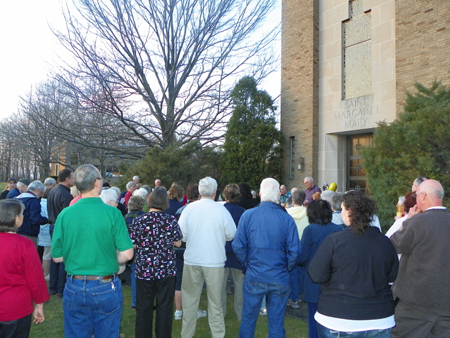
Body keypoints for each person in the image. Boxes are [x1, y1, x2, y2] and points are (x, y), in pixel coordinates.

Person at [51, 164, 134, 338]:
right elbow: (127, 254)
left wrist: (78, 255)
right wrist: (110, 256)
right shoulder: (112, 213)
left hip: (74, 285)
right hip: (105, 284)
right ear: (97, 183)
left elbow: (57, 256)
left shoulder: (65, 214)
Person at [309, 191, 398, 338]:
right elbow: (392, 275)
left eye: (342, 209)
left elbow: (317, 274)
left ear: (349, 211)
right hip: (378, 318)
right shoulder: (385, 243)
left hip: (339, 319)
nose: (341, 212)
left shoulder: (335, 241)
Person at [232, 178, 302, 338]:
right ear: (278, 195)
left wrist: (248, 264)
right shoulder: (286, 218)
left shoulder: (248, 216)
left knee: (248, 320)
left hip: (257, 275)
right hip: (277, 275)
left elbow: (238, 246)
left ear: (261, 193)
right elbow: (295, 251)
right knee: (276, 323)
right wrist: (285, 267)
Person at [390, 179, 450, 338]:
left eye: (417, 195)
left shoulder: (416, 223)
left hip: (414, 303)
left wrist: (408, 219)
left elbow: (391, 247)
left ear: (423, 196)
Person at [178, 177, 236, 338]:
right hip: (214, 262)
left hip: (193, 260)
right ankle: (217, 335)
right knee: (216, 304)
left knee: (189, 304)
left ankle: (187, 335)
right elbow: (231, 235)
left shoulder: (189, 209)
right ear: (215, 192)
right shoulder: (222, 210)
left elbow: (181, 235)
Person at [129, 187, 182, 338]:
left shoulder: (140, 220)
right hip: (165, 270)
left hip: (144, 270)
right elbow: (178, 243)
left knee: (143, 307)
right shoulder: (170, 220)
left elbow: (132, 244)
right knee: (164, 307)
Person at [0, 199, 49, 337]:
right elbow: (35, 278)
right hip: (15, 308)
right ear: (16, 219)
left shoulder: (23, 244)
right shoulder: (24, 245)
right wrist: (39, 304)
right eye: (21, 214)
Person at [299, 200, 342, 338]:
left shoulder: (310, 230)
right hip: (334, 281)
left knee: (314, 320)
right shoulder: (339, 229)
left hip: (314, 281)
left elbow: (302, 256)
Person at [173, 184, 207, 321]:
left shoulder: (180, 210)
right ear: (199, 195)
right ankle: (195, 310)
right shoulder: (200, 211)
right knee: (195, 282)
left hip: (178, 249)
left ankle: (178, 311)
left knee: (179, 282)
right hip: (192, 249)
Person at [221, 183, 246, 321]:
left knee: (220, 286)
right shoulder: (243, 212)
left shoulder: (220, 210)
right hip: (238, 253)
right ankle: (240, 314)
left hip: (223, 252)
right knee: (240, 286)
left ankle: (220, 313)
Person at [48, 169, 74, 298]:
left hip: (52, 226)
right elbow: (67, 216)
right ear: (67, 179)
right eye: (72, 177)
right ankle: (60, 289)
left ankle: (52, 287)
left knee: (55, 257)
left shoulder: (52, 191)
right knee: (63, 258)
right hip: (61, 228)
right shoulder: (66, 195)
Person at [286, 189, 309, 308]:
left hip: (291, 245)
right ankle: (300, 294)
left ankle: (294, 297)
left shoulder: (287, 212)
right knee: (302, 272)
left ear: (292, 199)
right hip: (304, 243)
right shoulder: (308, 213)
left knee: (292, 272)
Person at [124, 195, 146, 308]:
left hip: (130, 249)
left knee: (134, 275)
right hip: (143, 249)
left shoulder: (125, 217)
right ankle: (144, 300)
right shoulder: (145, 217)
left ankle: (135, 301)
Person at [15, 180, 48, 249]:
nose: (41, 195)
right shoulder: (33, 201)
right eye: (41, 192)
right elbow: (35, 219)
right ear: (37, 190)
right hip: (29, 233)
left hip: (15, 232)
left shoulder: (16, 199)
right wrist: (46, 220)